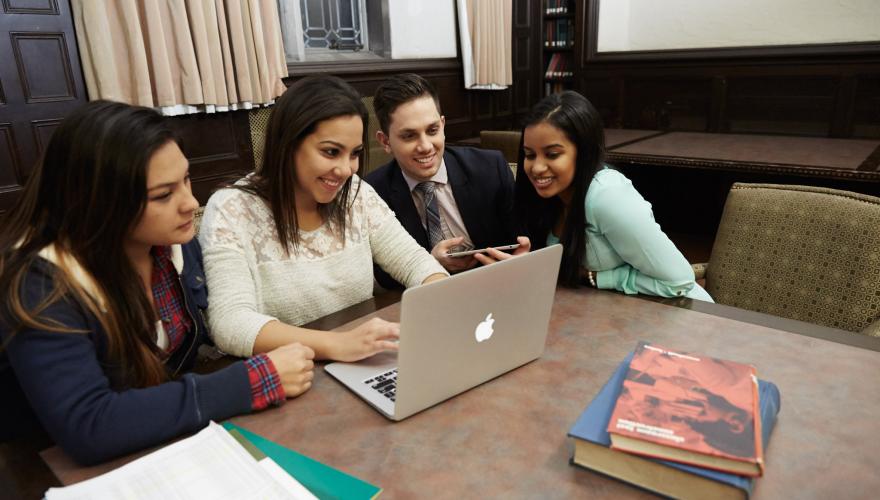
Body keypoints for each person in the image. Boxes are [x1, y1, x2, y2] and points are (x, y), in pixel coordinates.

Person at [0, 101, 315, 465]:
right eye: (163, 195)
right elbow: (89, 424)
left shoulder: (169, 247)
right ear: (100, 203)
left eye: (186, 179)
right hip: (52, 469)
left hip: (159, 443)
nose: (190, 203)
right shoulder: (40, 283)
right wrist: (250, 381)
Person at [198, 75, 447, 363]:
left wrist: (440, 294)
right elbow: (230, 324)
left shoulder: (355, 194)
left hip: (361, 361)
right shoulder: (231, 209)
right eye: (331, 152)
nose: (345, 170)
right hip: (289, 376)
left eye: (354, 154)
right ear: (288, 143)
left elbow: (416, 263)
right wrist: (336, 344)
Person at [510, 91, 713, 301]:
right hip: (613, 315)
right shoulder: (546, 198)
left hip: (682, 314)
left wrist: (596, 278)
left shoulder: (606, 195)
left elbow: (679, 282)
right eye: (529, 155)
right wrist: (532, 266)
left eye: (552, 154)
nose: (537, 167)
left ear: (584, 152)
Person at [364, 73, 529, 288]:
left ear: (443, 125)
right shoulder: (372, 193)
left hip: (497, 289)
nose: (425, 146)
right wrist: (428, 265)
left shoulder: (490, 168)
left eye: (432, 130)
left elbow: (522, 238)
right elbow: (383, 276)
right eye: (409, 136)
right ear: (385, 141)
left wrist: (523, 259)